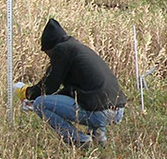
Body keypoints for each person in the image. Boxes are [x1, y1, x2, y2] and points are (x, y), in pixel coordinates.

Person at [16, 18, 127, 147]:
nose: (49, 58)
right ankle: (98, 137)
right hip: (118, 111)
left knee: (41, 104)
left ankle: (79, 140)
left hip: (100, 112)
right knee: (92, 99)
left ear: (50, 47)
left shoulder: (61, 50)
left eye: (47, 53)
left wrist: (28, 93)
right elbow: (74, 90)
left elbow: (49, 86)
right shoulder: (77, 49)